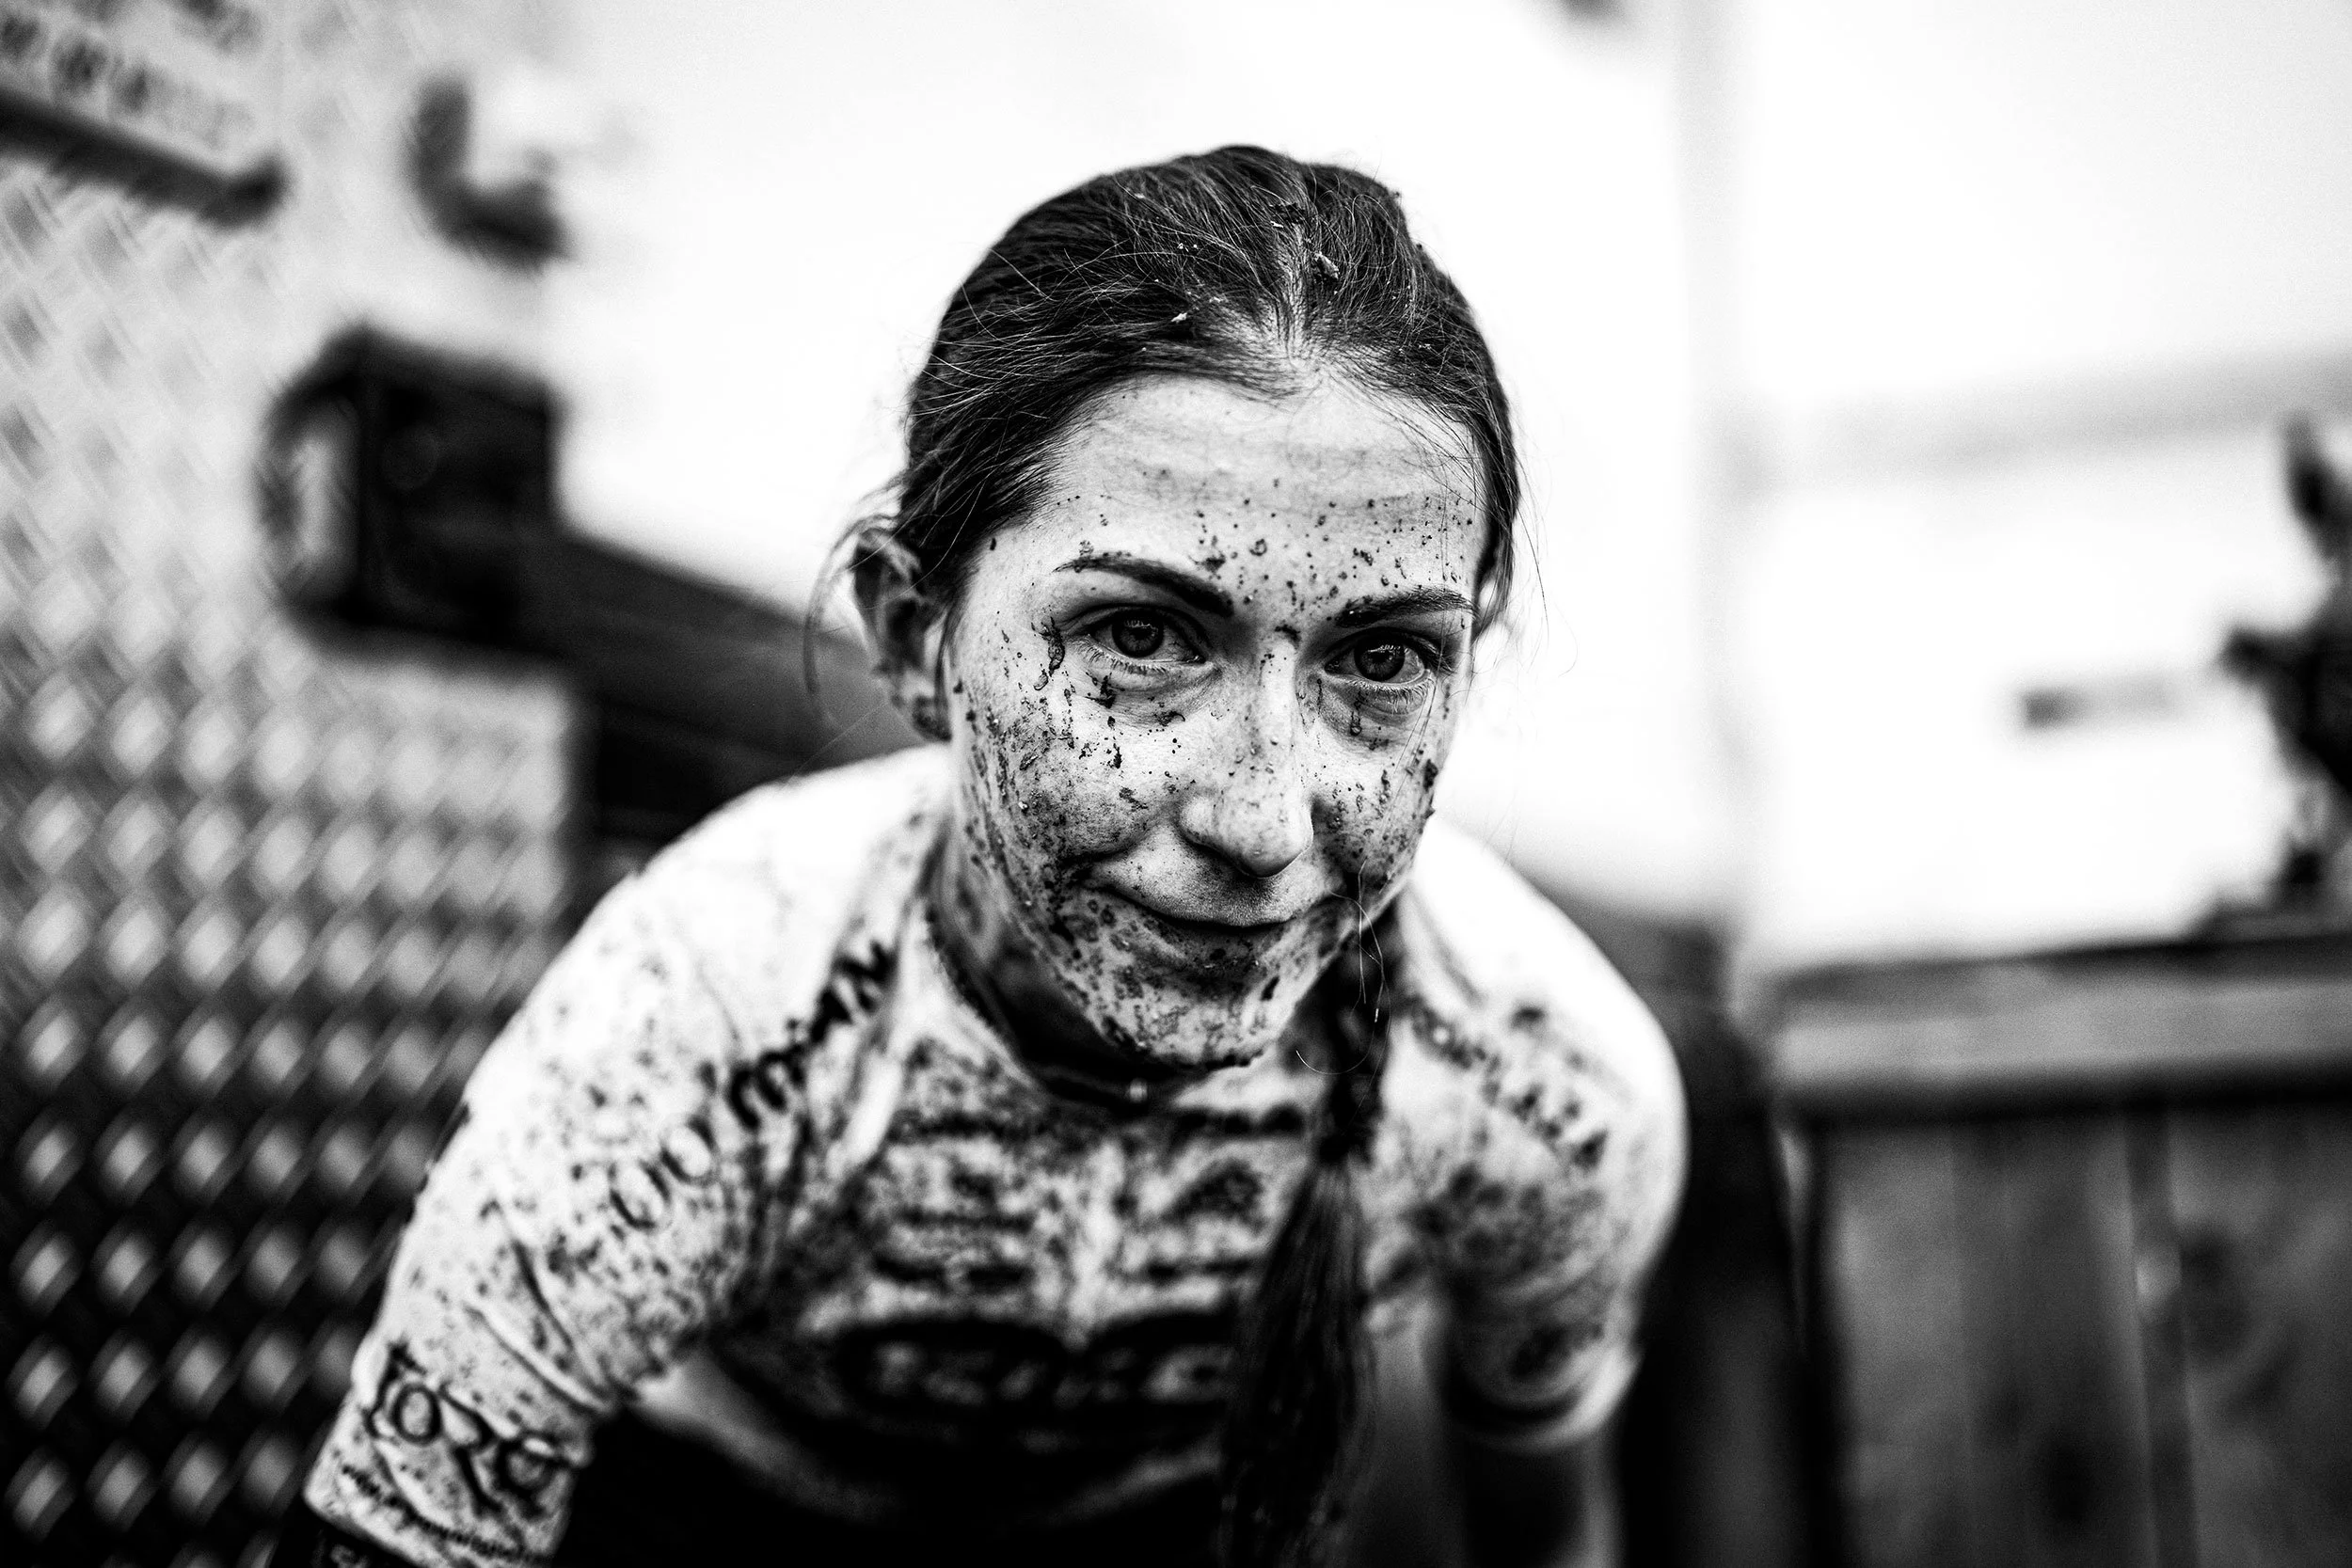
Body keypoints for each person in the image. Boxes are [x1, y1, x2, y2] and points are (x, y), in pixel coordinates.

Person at [282, 145, 1685, 1568]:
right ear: (913, 635)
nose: (1263, 826)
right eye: (1141, 637)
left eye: (1383, 658)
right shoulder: (688, 1026)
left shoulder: (1548, 1087)